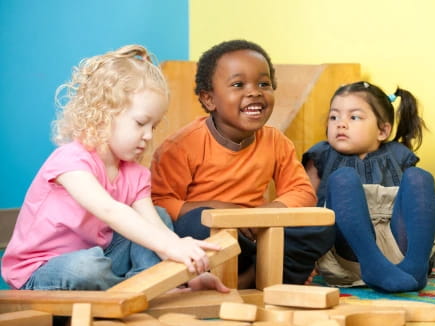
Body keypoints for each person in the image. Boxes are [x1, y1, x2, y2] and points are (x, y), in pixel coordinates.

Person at [1, 45, 228, 293]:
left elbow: (156, 227)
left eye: (153, 126)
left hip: (102, 260)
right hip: (43, 271)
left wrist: (185, 265)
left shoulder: (135, 173)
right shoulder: (70, 161)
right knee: (86, 267)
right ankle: (144, 290)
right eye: (141, 123)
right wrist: (170, 246)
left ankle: (156, 283)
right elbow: (109, 210)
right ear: (103, 115)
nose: (148, 136)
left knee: (159, 216)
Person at [151, 39, 335, 288]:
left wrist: (262, 216)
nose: (255, 92)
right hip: (214, 237)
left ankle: (256, 275)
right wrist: (218, 209)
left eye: (264, 84)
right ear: (209, 100)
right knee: (193, 222)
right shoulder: (180, 146)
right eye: (238, 84)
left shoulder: (275, 141)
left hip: (258, 235)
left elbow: (302, 192)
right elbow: (160, 204)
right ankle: (265, 275)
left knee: (322, 226)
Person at [303, 81, 435, 293]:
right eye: (334, 117)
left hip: (400, 251)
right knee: (343, 178)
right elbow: (304, 207)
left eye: (354, 117)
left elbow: (416, 209)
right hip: (350, 254)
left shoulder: (399, 155)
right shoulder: (321, 155)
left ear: (382, 131)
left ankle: (416, 267)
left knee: (420, 177)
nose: (341, 124)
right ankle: (374, 266)